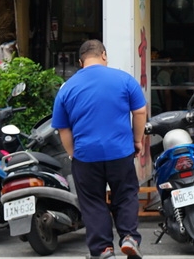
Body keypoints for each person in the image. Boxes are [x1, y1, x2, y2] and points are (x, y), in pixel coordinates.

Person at [52, 39, 147, 259]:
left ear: (80, 61)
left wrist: (73, 153)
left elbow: (63, 128)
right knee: (125, 195)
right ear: (104, 55)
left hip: (86, 156)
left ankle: (103, 249)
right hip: (120, 152)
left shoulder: (67, 87)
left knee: (93, 201)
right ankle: (129, 238)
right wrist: (137, 140)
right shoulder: (124, 79)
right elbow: (140, 111)